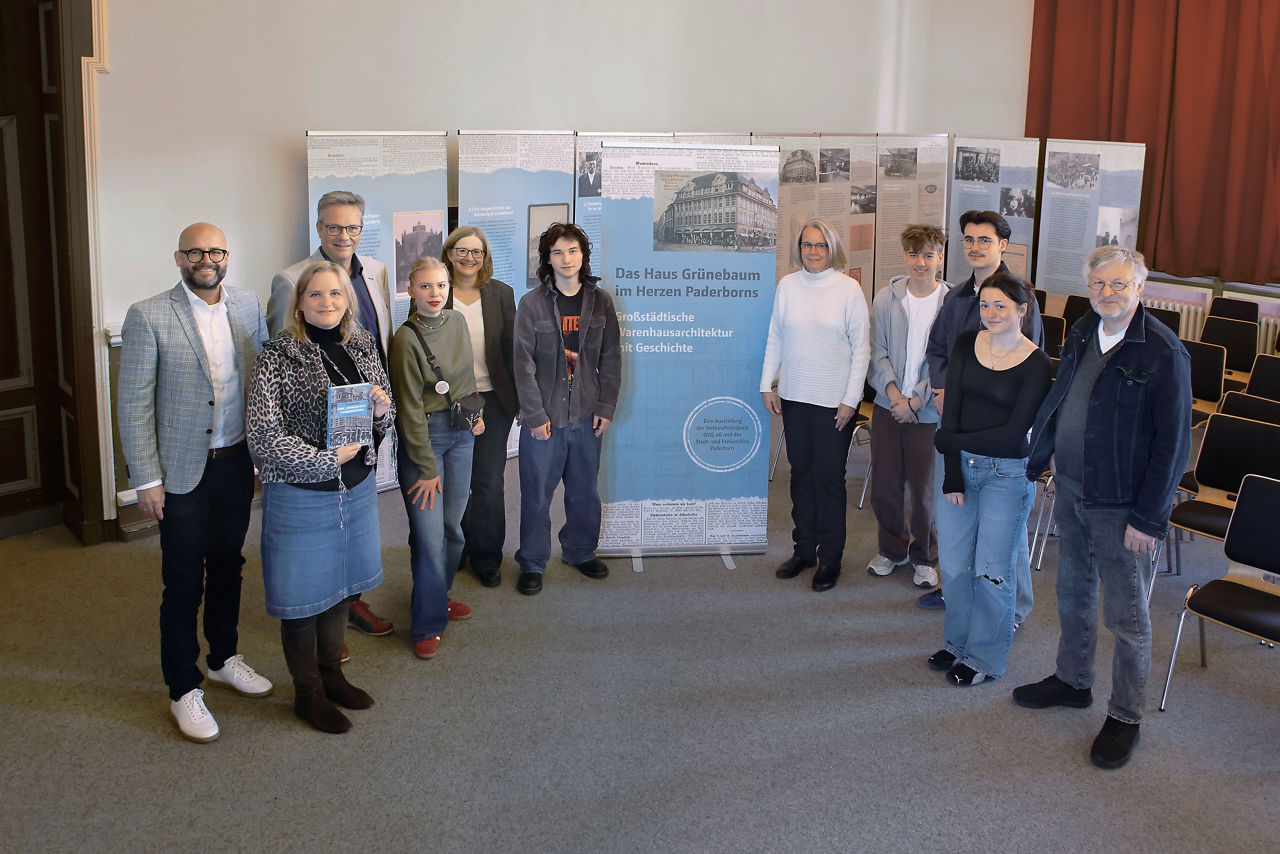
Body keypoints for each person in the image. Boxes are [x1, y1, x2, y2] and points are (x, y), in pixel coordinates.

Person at [1013, 246, 1191, 769]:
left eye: (1119, 285)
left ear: (1140, 287)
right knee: (1072, 593)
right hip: (1070, 487)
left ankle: (1126, 715)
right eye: (1099, 285)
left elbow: (1173, 446)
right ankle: (1072, 681)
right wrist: (1042, 452)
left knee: (1128, 614)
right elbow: (1064, 395)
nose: (1108, 294)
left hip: (1123, 504)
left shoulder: (1162, 351)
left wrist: (1149, 517)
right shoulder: (1085, 328)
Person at [117, 222, 272, 743]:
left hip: (235, 464)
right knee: (183, 580)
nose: (206, 259)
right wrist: (146, 478)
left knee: (229, 564)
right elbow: (134, 403)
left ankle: (224, 657)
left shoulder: (249, 306)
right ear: (178, 257)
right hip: (181, 472)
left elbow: (266, 381)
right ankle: (183, 686)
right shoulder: (148, 314)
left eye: (215, 251)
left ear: (228, 255)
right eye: (195, 252)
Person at [247, 261, 393, 733]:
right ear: (299, 303)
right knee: (302, 597)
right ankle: (307, 693)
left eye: (335, 295)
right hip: (300, 493)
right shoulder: (277, 356)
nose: (326, 303)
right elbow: (264, 437)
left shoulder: (364, 345)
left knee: (341, 588)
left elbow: (382, 417)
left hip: (355, 489)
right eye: (315, 295)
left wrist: (381, 410)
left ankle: (333, 675)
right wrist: (326, 460)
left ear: (348, 300)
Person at [266, 190, 395, 640]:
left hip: (365, 410)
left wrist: (380, 409)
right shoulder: (291, 279)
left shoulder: (375, 271)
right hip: (313, 433)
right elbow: (283, 354)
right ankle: (321, 612)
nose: (344, 235)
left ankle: (348, 599)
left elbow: (378, 337)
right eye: (334, 227)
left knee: (356, 517)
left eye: (353, 227)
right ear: (319, 229)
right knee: (315, 534)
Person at [928, 272, 1051, 686]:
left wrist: (949, 439)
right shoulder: (966, 344)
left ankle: (984, 658)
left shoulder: (1037, 363)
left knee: (991, 570)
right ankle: (958, 642)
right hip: (959, 466)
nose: (991, 313)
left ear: (1022, 310)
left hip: (1007, 475)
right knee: (955, 566)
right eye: (985, 304)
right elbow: (955, 407)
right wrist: (951, 472)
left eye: (1001, 305)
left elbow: (1014, 436)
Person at [918, 209, 1044, 613]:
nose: (975, 247)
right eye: (969, 240)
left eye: (984, 240)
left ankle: (1016, 605)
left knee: (1003, 529)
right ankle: (959, 588)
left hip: (1001, 432)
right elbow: (938, 348)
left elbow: (1032, 361)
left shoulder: (1021, 296)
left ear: (1003, 245)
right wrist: (941, 387)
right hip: (955, 422)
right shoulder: (955, 297)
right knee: (957, 511)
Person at [761, 219, 870, 592]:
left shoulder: (848, 289)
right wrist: (767, 384)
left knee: (828, 480)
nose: (813, 251)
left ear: (832, 247)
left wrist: (850, 400)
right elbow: (775, 335)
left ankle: (830, 560)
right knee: (801, 476)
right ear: (799, 249)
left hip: (833, 404)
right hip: (795, 398)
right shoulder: (788, 286)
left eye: (820, 245)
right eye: (807, 245)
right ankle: (804, 550)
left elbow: (862, 351)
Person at [512, 222, 621, 596]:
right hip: (545, 418)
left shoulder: (601, 301)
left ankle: (579, 551)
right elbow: (522, 365)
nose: (566, 258)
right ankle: (531, 562)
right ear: (547, 259)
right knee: (537, 495)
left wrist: (606, 404)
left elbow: (610, 358)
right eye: (557, 252)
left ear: (583, 255)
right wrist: (535, 415)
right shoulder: (531, 304)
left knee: (584, 492)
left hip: (587, 415)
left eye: (572, 250)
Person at [390, 257, 484, 659]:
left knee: (452, 528)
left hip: (462, 434)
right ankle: (427, 623)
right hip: (424, 437)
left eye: (441, 286)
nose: (435, 294)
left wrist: (475, 418)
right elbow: (408, 409)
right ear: (411, 290)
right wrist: (425, 467)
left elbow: (466, 380)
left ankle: (438, 596)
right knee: (429, 537)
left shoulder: (458, 322)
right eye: (425, 287)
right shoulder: (405, 339)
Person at [866, 224, 950, 590]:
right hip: (888, 406)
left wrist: (916, 400)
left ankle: (925, 558)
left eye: (928, 255)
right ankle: (892, 550)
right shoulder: (886, 298)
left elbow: (944, 363)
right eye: (914, 254)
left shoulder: (951, 303)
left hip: (928, 412)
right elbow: (876, 351)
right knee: (885, 485)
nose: (921, 262)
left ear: (940, 258)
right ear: (904, 255)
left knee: (924, 491)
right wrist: (895, 396)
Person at [441, 226, 517, 588]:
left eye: (477, 252)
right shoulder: (436, 291)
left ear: (484, 257)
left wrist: (518, 401)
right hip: (448, 402)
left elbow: (512, 349)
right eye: (462, 250)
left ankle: (486, 557)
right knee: (456, 481)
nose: (469, 257)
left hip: (493, 401)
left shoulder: (502, 293)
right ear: (450, 252)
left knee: (488, 482)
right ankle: (457, 548)